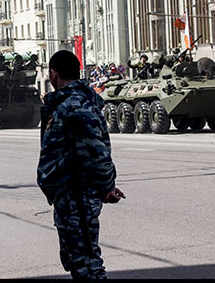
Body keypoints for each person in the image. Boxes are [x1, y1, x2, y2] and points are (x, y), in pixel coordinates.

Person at [38, 50, 125, 279]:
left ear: (53, 74)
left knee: (87, 264)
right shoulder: (70, 102)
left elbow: (97, 153)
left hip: (77, 195)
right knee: (77, 260)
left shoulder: (74, 106)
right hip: (70, 195)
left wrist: (106, 186)